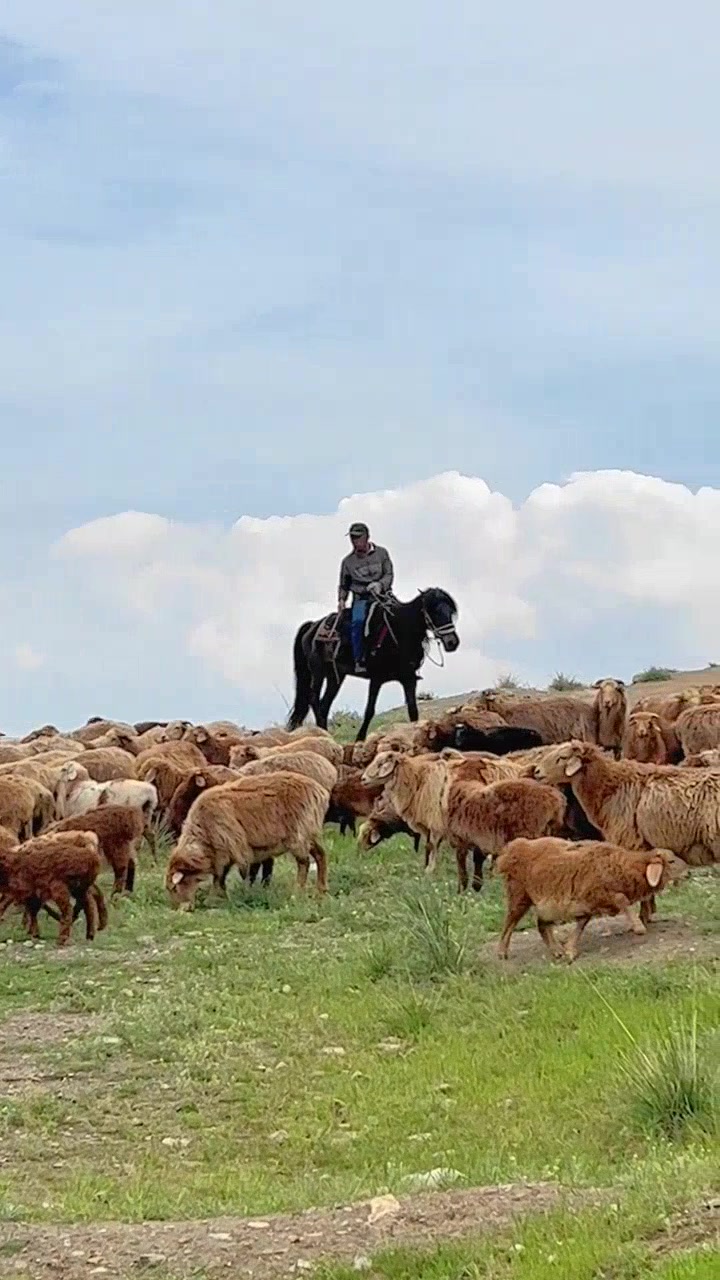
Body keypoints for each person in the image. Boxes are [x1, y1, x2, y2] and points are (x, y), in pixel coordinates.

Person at [337, 522, 394, 673]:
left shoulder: (382, 553)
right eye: (353, 538)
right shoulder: (348, 562)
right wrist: (342, 599)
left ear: (367, 537)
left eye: (358, 538)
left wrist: (380, 585)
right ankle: (358, 660)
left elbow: (388, 573)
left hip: (382, 596)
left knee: (400, 616)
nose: (355, 541)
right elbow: (344, 584)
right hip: (362, 598)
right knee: (357, 622)